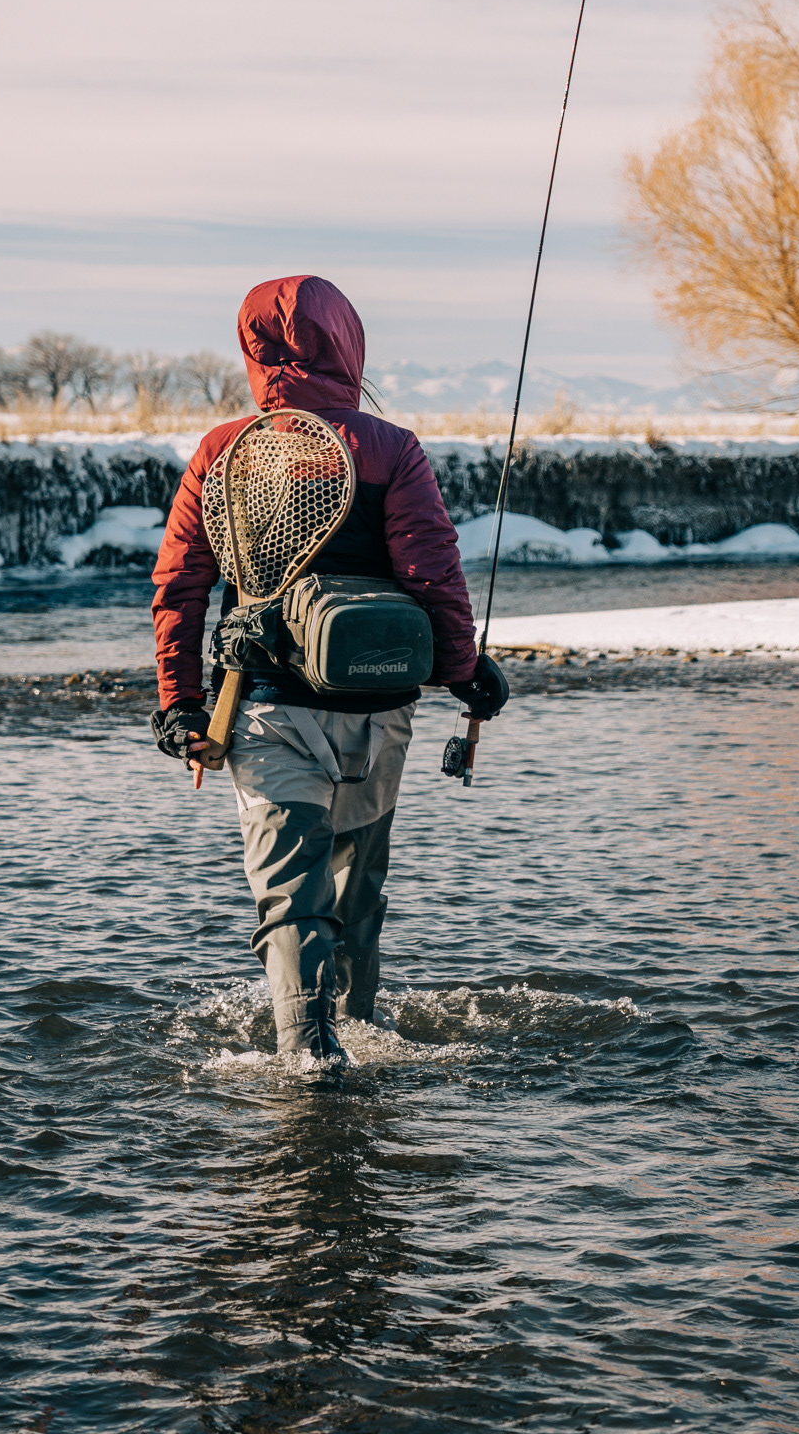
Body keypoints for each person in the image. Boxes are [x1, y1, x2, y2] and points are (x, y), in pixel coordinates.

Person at [149, 274, 509, 1067]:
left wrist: (181, 704)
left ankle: (308, 1061)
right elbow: (432, 574)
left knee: (292, 896)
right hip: (379, 709)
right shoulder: (392, 448)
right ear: (348, 344)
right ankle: (361, 1038)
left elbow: (180, 585)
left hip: (265, 708)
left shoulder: (220, 449)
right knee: (356, 888)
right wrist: (463, 672)